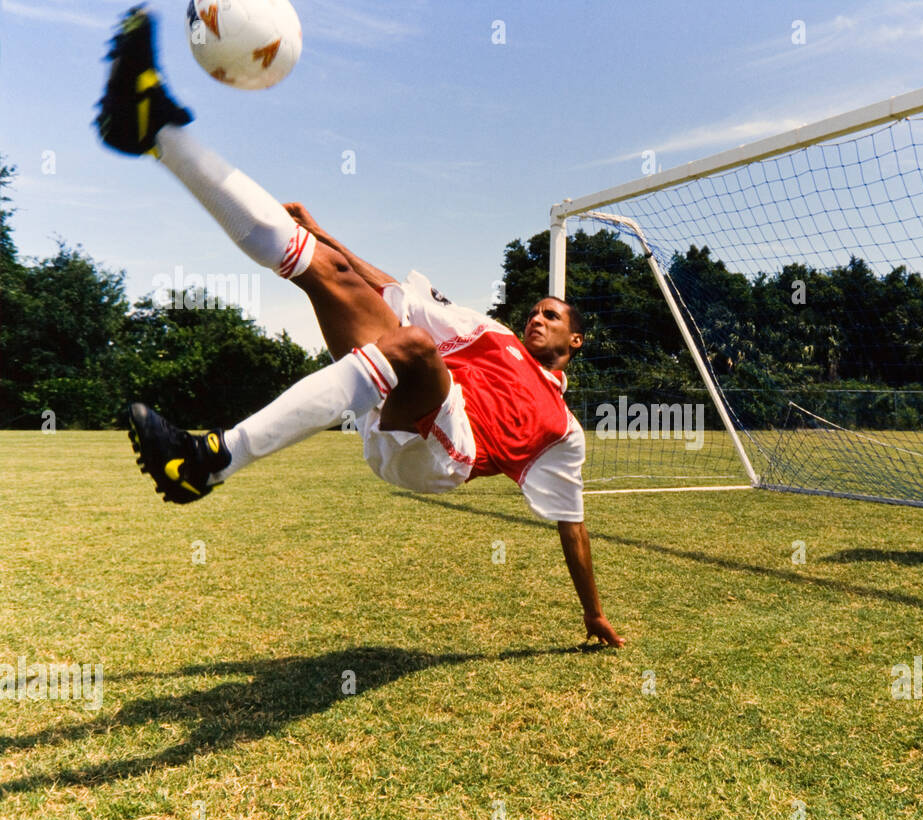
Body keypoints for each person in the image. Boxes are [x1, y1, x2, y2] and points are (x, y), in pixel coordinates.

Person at [96, 6, 624, 645]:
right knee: (327, 271)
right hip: (408, 392)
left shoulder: (563, 430)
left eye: (553, 316)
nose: (537, 317)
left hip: (443, 456)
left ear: (576, 342)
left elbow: (572, 525)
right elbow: (387, 288)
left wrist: (592, 612)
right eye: (537, 309)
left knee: (417, 347)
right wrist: (324, 236)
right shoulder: (492, 335)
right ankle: (156, 133)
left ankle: (211, 460)